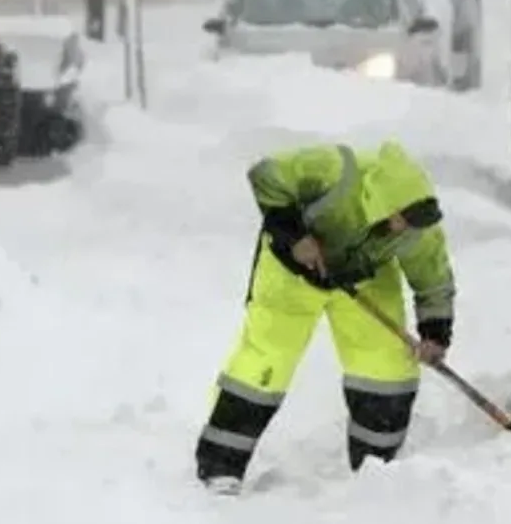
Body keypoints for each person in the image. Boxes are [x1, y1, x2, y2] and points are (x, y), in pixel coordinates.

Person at [194, 139, 456, 495]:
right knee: (265, 364)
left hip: (363, 275)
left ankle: (377, 469)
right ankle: (220, 467)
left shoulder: (417, 226)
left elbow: (434, 278)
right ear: (382, 201)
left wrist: (435, 333)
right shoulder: (335, 171)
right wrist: (295, 235)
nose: (403, 229)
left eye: (411, 224)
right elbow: (266, 176)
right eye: (399, 220)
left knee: (388, 370)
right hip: (293, 268)